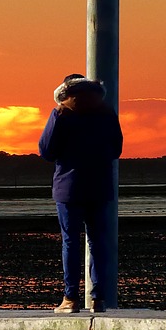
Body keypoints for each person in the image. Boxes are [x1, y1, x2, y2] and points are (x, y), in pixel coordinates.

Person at [38, 73, 123, 313]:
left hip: (69, 187)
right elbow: (116, 148)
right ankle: (98, 299)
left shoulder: (62, 113)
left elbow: (46, 150)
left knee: (70, 241)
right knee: (98, 242)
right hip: (100, 185)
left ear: (66, 91)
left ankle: (70, 299)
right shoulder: (106, 112)